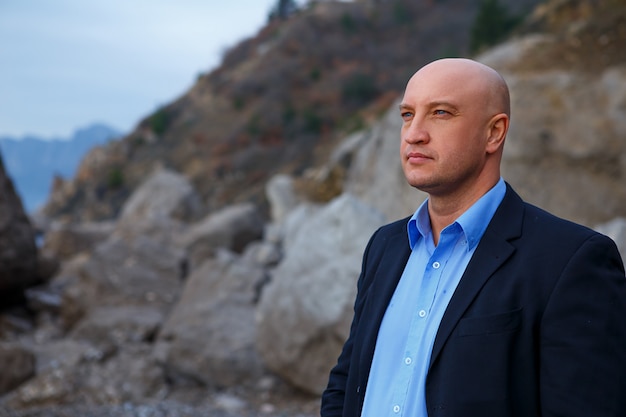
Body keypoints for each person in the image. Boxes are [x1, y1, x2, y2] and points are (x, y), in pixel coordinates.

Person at [320, 58, 626, 417]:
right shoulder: (385, 246)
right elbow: (346, 384)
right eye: (407, 114)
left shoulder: (570, 261)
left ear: (494, 133)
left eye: (441, 113)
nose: (414, 133)